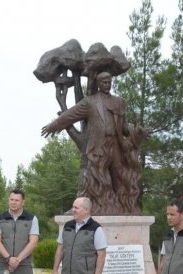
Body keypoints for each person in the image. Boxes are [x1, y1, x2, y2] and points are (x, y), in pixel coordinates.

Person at [41, 71, 142, 215]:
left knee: (119, 175)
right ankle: (99, 205)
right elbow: (70, 115)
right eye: (104, 82)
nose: (107, 84)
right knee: (97, 177)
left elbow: (124, 127)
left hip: (116, 145)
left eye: (109, 82)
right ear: (98, 84)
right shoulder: (90, 102)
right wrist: (53, 125)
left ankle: (125, 206)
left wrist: (137, 131)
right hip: (99, 146)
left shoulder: (119, 102)